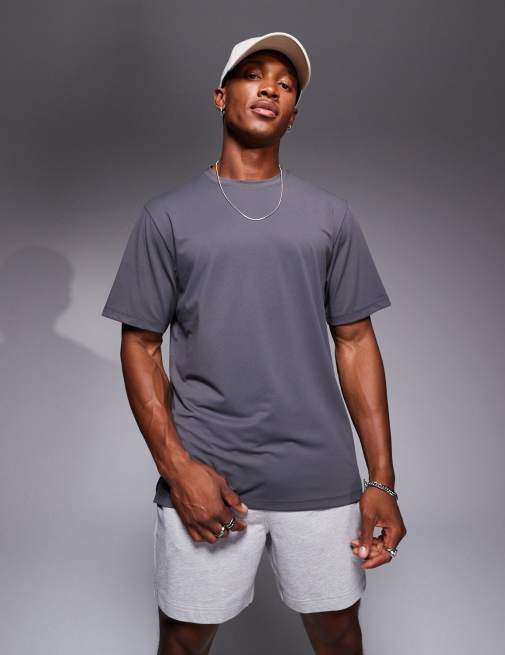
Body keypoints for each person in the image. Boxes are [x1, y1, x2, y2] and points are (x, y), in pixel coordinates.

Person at [101, 31, 406, 655]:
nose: (270, 89)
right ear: (221, 96)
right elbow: (141, 347)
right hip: (209, 473)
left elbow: (356, 342)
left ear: (293, 114)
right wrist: (177, 469)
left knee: (338, 633)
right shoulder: (166, 216)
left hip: (318, 476)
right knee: (184, 639)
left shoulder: (330, 216)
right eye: (253, 75)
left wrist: (382, 481)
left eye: (285, 85)